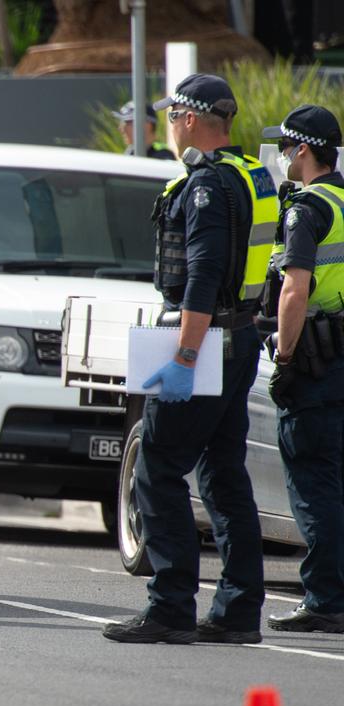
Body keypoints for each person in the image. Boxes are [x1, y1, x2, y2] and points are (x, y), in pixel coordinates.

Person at [103, 74, 276, 644]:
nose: (171, 126)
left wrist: (184, 355)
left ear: (190, 119)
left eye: (173, 115)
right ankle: (237, 612)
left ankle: (171, 607)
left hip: (210, 343)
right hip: (242, 336)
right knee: (224, 476)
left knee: (157, 468)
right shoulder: (252, 175)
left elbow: (202, 276)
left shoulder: (205, 186)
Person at [261, 105, 344, 633]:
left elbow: (294, 289)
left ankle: (324, 600)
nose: (284, 157)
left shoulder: (307, 207)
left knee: (314, 483)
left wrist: (286, 359)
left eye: (287, 148)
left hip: (315, 362)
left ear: (304, 150)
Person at [112, 101, 176, 160]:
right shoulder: (129, 154)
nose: (121, 129)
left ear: (147, 126)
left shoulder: (163, 157)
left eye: (127, 122)